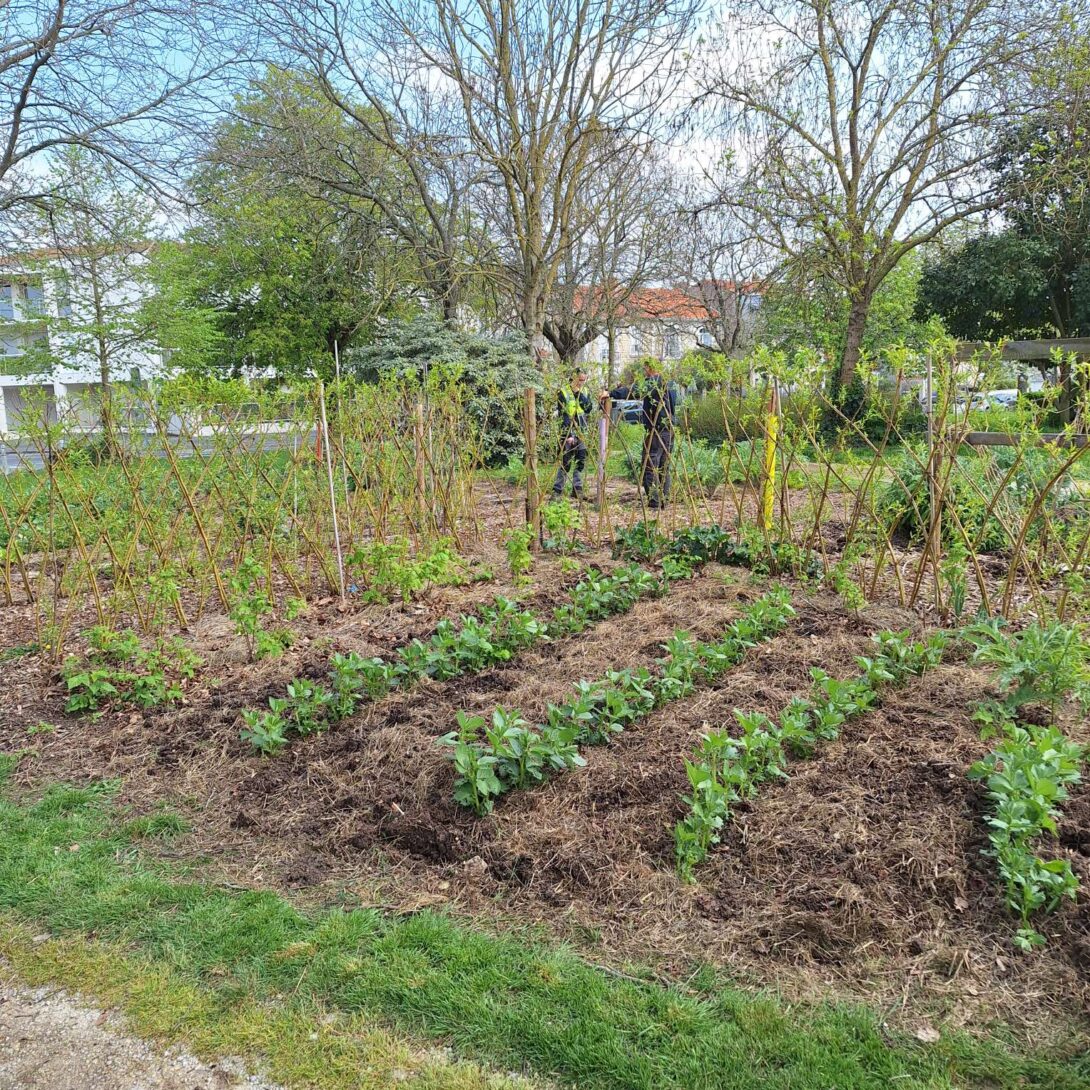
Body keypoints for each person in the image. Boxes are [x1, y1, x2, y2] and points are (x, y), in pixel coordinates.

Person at [605, 357, 677, 508]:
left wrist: (612, 393)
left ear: (650, 369)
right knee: (663, 466)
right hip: (668, 431)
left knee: (650, 464)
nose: (644, 373)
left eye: (645, 370)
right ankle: (664, 500)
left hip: (657, 431)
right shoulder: (669, 383)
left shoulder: (655, 382)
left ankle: (655, 501)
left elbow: (634, 391)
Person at [553, 367, 594, 499]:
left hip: (582, 431)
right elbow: (563, 414)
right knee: (565, 462)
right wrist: (569, 435)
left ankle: (577, 489)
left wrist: (578, 394)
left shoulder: (585, 391)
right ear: (574, 378)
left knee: (580, 461)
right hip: (568, 431)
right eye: (580, 380)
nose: (582, 382)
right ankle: (557, 491)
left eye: (584, 380)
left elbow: (588, 409)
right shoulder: (563, 392)